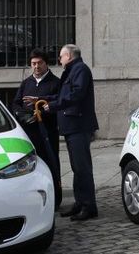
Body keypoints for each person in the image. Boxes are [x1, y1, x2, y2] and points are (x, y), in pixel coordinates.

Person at [40, 43, 99, 221]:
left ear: (70, 56)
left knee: (83, 168)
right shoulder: (72, 70)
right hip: (71, 127)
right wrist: (43, 100)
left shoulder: (80, 69)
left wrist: (53, 106)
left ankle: (89, 206)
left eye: (61, 56)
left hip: (78, 126)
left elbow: (76, 94)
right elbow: (62, 93)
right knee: (77, 168)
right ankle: (80, 202)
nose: (59, 59)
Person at [13, 49, 62, 208]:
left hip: (48, 132)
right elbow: (15, 103)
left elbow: (58, 105)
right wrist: (22, 115)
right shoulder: (26, 82)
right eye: (33, 63)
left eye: (39, 63)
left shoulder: (55, 82)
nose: (36, 66)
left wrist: (40, 113)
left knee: (50, 163)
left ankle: (55, 200)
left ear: (46, 63)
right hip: (29, 132)